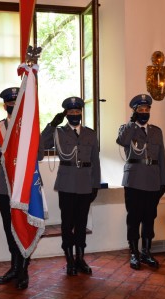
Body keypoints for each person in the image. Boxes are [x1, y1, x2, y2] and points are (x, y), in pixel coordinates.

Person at [0, 87, 44, 290]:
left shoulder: (30, 126)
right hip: (4, 186)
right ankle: (14, 267)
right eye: (10, 104)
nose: (12, 106)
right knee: (9, 228)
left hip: (26, 186)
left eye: (16, 103)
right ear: (5, 106)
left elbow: (40, 155)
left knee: (24, 226)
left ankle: (24, 269)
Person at [41, 97, 101, 276]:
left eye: (77, 111)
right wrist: (52, 124)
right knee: (67, 223)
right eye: (71, 112)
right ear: (66, 114)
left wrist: (95, 184)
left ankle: (80, 258)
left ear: (81, 112)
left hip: (85, 183)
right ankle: (69, 259)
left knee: (81, 223)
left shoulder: (90, 134)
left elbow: (95, 162)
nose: (75, 114)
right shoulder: (58, 132)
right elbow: (41, 144)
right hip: (66, 183)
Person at [116, 94, 165, 271]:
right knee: (134, 218)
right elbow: (122, 141)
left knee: (149, 218)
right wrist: (132, 123)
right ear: (135, 112)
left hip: (153, 180)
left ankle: (146, 252)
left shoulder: (156, 131)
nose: (144, 113)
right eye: (140, 110)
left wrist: (164, 181)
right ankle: (133, 253)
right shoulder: (127, 129)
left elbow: (161, 157)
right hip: (134, 180)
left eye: (147, 109)